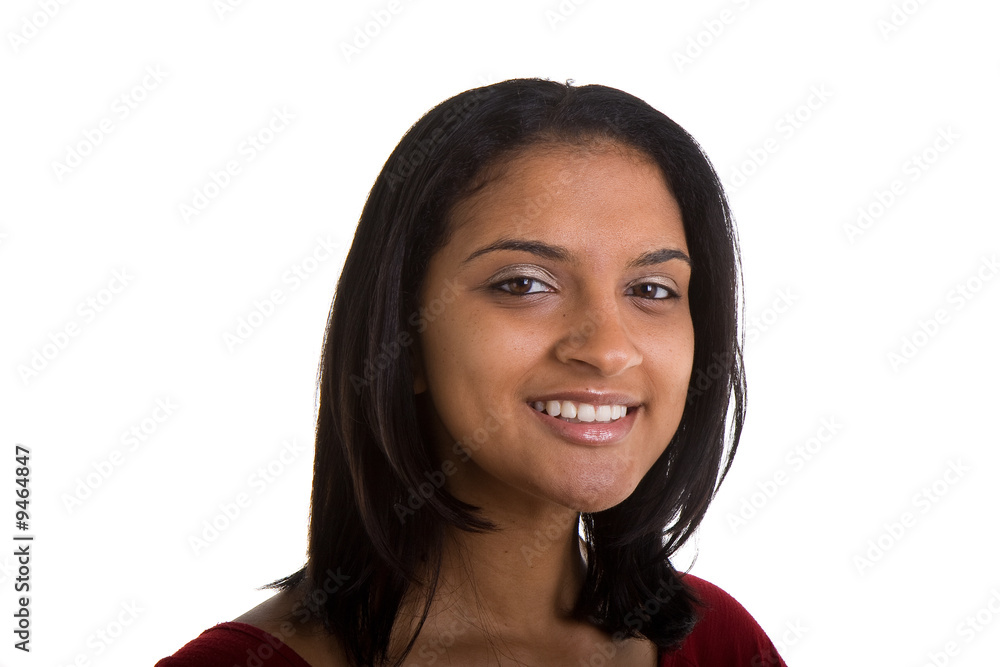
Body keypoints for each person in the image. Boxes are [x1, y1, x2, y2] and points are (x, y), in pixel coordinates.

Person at [156, 78, 787, 666]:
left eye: (651, 289)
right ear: (403, 335)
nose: (607, 349)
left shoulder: (719, 643)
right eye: (524, 284)